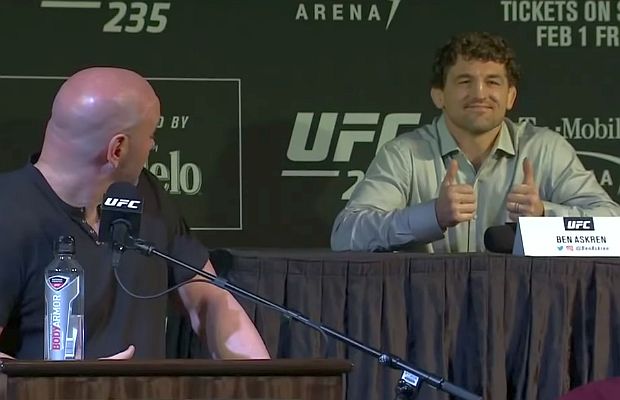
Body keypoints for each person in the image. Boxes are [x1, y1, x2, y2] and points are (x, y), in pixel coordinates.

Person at [0, 67, 270, 359]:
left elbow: (209, 299)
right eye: (151, 135)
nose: (153, 145)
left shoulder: (146, 194)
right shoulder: (9, 216)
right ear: (117, 150)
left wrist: (263, 379)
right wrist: (77, 380)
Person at [331, 31, 620, 253]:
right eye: (464, 81)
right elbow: (346, 235)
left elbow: (613, 230)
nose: (480, 93)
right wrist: (433, 215)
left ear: (510, 96)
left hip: (522, 307)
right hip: (429, 306)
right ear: (439, 95)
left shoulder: (546, 149)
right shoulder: (404, 154)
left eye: (493, 82)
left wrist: (546, 216)